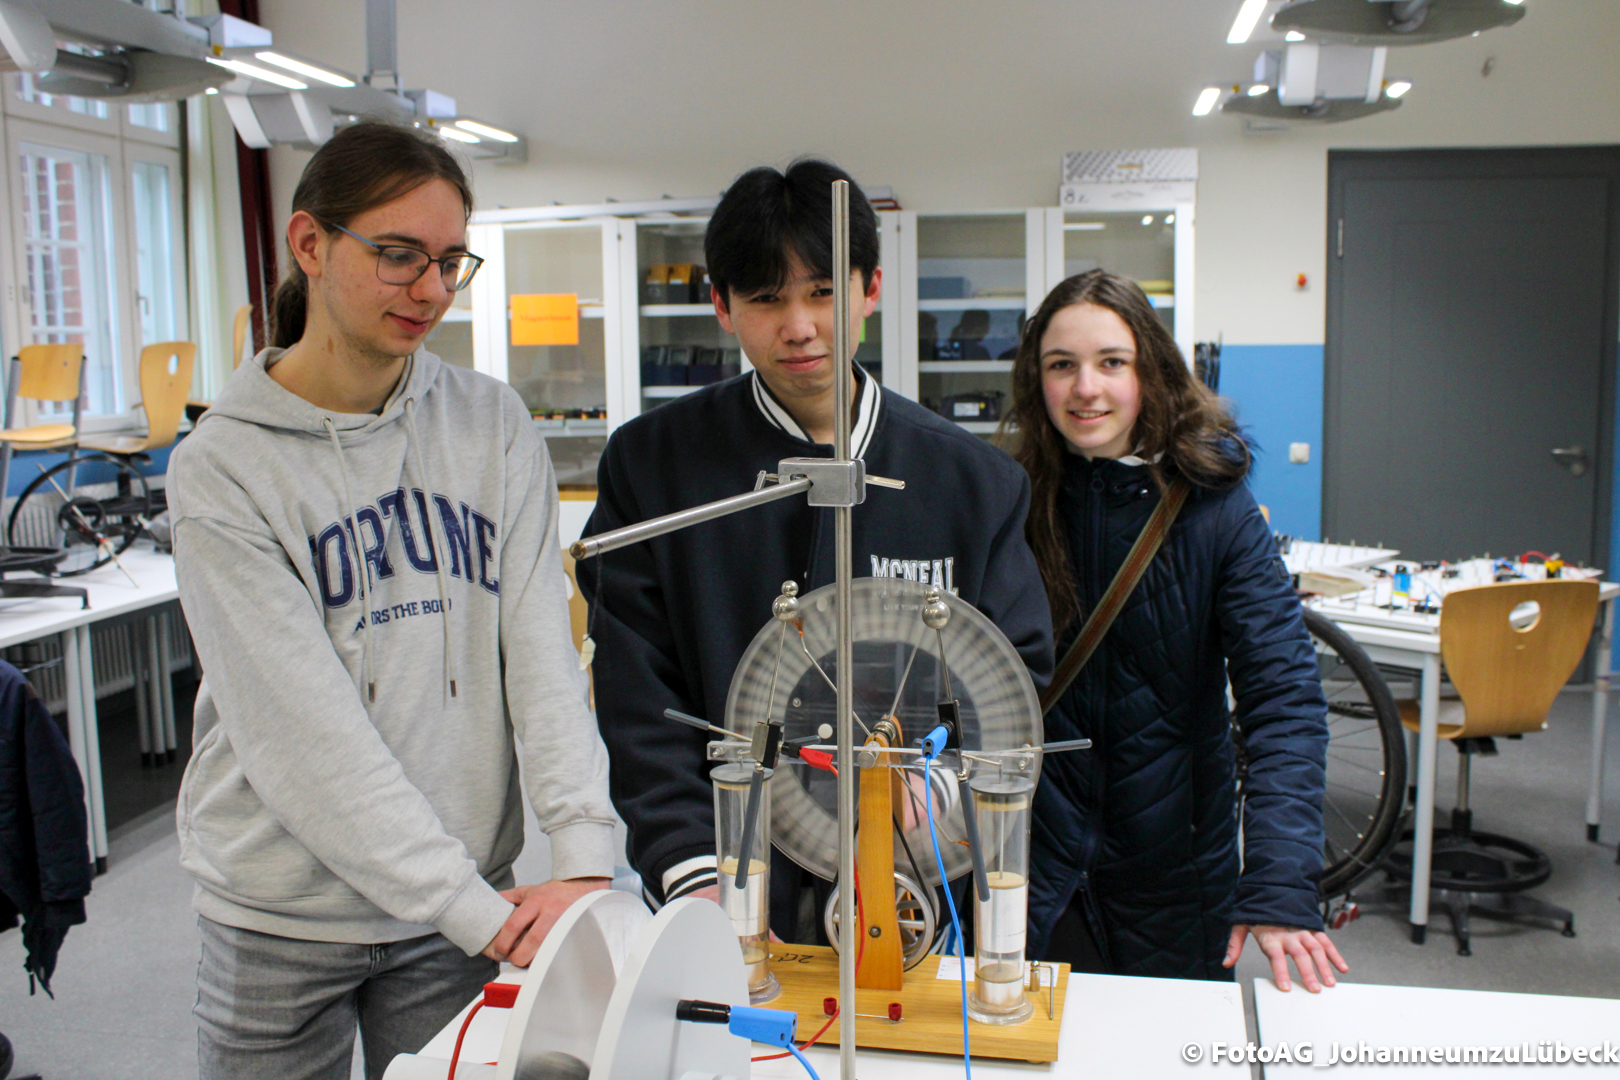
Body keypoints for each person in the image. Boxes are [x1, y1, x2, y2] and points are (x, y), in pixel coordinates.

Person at [167, 121, 617, 1079]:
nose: (431, 290)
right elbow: (302, 735)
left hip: (460, 908)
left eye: (450, 262)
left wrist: (582, 849)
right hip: (281, 916)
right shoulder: (224, 466)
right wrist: (473, 910)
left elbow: (540, 650)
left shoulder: (490, 423)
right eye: (399, 255)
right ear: (310, 242)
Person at [576, 159, 1052, 936]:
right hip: (723, 885)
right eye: (768, 298)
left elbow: (1012, 682)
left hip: (913, 893)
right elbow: (637, 696)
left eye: (824, 292)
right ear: (722, 305)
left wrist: (928, 808)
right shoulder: (653, 465)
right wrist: (697, 870)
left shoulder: (973, 482)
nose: (799, 326)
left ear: (871, 289)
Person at [1010, 269, 1346, 991]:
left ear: (1151, 371)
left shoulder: (1215, 511)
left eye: (1112, 362)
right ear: (1036, 380)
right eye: (1061, 365)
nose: (1085, 388)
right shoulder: (1012, 503)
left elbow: (1283, 699)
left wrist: (1280, 880)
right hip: (1031, 870)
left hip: (1173, 879)